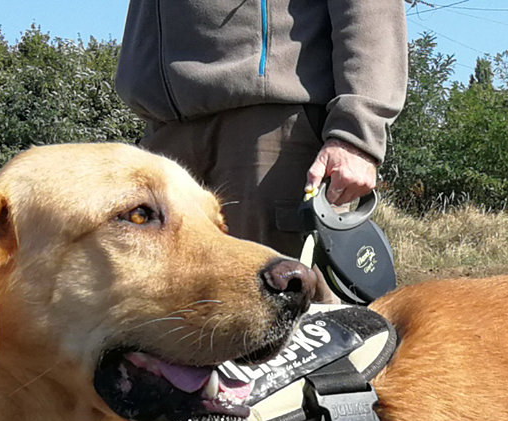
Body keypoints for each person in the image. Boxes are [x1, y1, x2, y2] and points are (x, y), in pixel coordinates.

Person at [116, 0, 407, 252]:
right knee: (172, 311)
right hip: (164, 133)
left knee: (283, 304)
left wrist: (357, 133)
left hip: (269, 133)